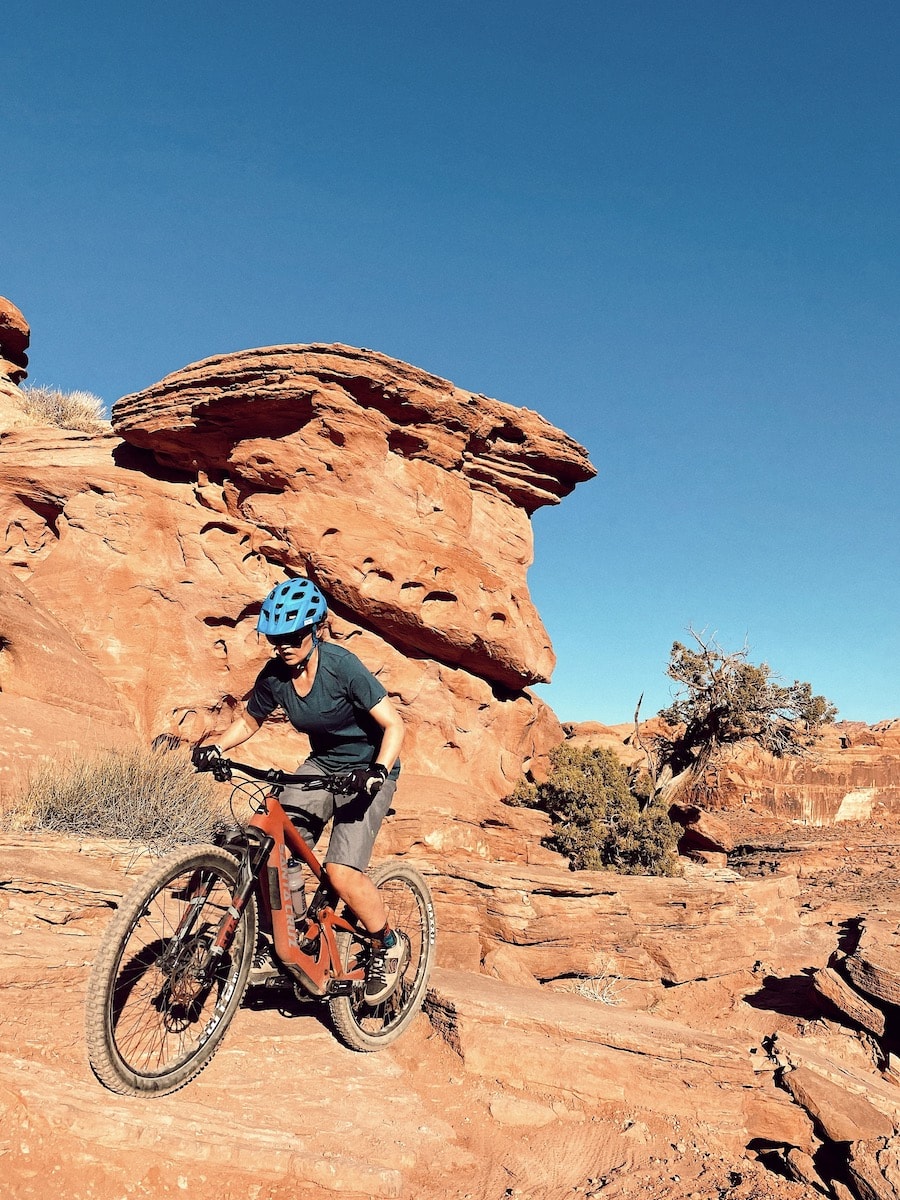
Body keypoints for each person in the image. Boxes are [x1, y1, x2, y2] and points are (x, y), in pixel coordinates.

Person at [192, 577, 406, 1005]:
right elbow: (251, 720)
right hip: (323, 766)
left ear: (315, 630)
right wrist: (217, 746)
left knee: (342, 872)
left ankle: (387, 944)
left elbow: (394, 725)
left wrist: (377, 772)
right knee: (270, 843)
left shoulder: (342, 667)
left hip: (368, 769)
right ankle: (292, 940)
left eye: (292, 636)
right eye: (276, 638)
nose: (283, 645)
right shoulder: (275, 676)